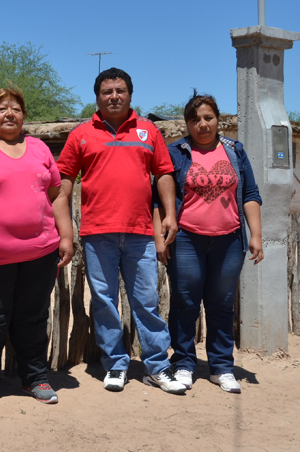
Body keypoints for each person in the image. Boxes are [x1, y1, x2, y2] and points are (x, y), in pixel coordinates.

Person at [53, 68, 186, 395]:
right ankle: (115, 364)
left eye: (120, 90)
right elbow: (64, 181)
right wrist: (64, 229)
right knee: (104, 301)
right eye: (107, 91)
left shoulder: (148, 131)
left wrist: (169, 213)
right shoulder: (81, 134)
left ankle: (157, 365)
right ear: (97, 96)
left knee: (146, 300)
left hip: (140, 233)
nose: (114, 96)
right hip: (98, 234)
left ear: (130, 94)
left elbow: (164, 173)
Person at [0, 87, 74, 407]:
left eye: (15, 109)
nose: (9, 114)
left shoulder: (39, 149)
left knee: (33, 316)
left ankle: (35, 377)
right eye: (1, 109)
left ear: (24, 115)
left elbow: (58, 194)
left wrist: (66, 235)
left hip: (40, 252)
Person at [156, 92, 263, 394]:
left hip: (229, 240)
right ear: (187, 124)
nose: (202, 124)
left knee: (221, 305)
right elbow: (158, 198)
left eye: (208, 118)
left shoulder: (234, 151)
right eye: (195, 120)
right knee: (185, 303)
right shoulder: (176, 151)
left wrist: (255, 234)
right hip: (187, 239)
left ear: (218, 119)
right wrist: (160, 238)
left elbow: (251, 194)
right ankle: (184, 364)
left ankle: (221, 367)